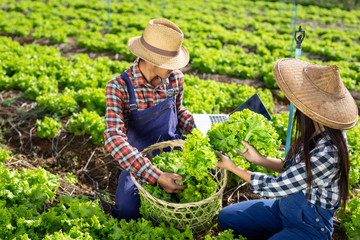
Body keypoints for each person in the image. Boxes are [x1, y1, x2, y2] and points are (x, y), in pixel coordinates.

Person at [215, 58, 358, 240]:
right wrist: (258, 159)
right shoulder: (316, 128)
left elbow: (277, 186)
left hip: (310, 225)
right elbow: (291, 169)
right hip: (283, 209)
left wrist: (233, 167)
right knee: (228, 218)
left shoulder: (329, 153)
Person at [104, 18, 195, 221]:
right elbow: (113, 139)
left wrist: (200, 129)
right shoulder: (119, 87)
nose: (174, 68)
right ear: (152, 60)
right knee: (127, 209)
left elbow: (179, 112)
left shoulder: (176, 78)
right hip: (140, 158)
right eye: (169, 64)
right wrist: (156, 175)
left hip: (176, 151)